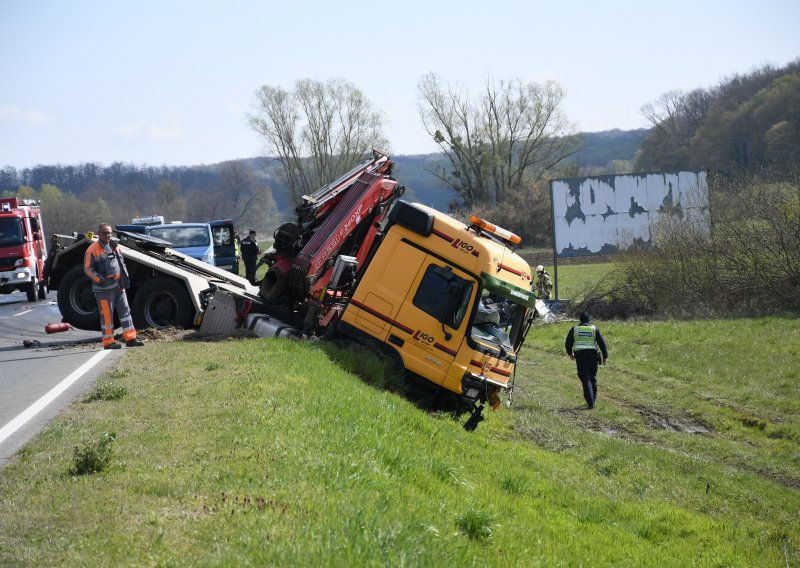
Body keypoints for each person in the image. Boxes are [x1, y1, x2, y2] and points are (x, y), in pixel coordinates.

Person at [84, 223, 144, 350]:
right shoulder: (91, 249)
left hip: (118, 286)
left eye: (109, 232)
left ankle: (131, 338)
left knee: (125, 312)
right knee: (106, 315)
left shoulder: (114, 246)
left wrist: (123, 280)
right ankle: (108, 342)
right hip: (103, 290)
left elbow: (121, 263)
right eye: (105, 232)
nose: (108, 235)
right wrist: (102, 280)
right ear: (99, 233)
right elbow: (88, 269)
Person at [564, 312, 608, 409]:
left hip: (580, 357)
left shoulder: (574, 329)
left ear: (580, 319)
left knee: (585, 379)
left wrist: (570, 353)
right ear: (589, 320)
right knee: (592, 377)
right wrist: (605, 356)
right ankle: (593, 400)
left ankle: (590, 403)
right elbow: (602, 343)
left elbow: (568, 343)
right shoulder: (594, 329)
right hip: (593, 356)